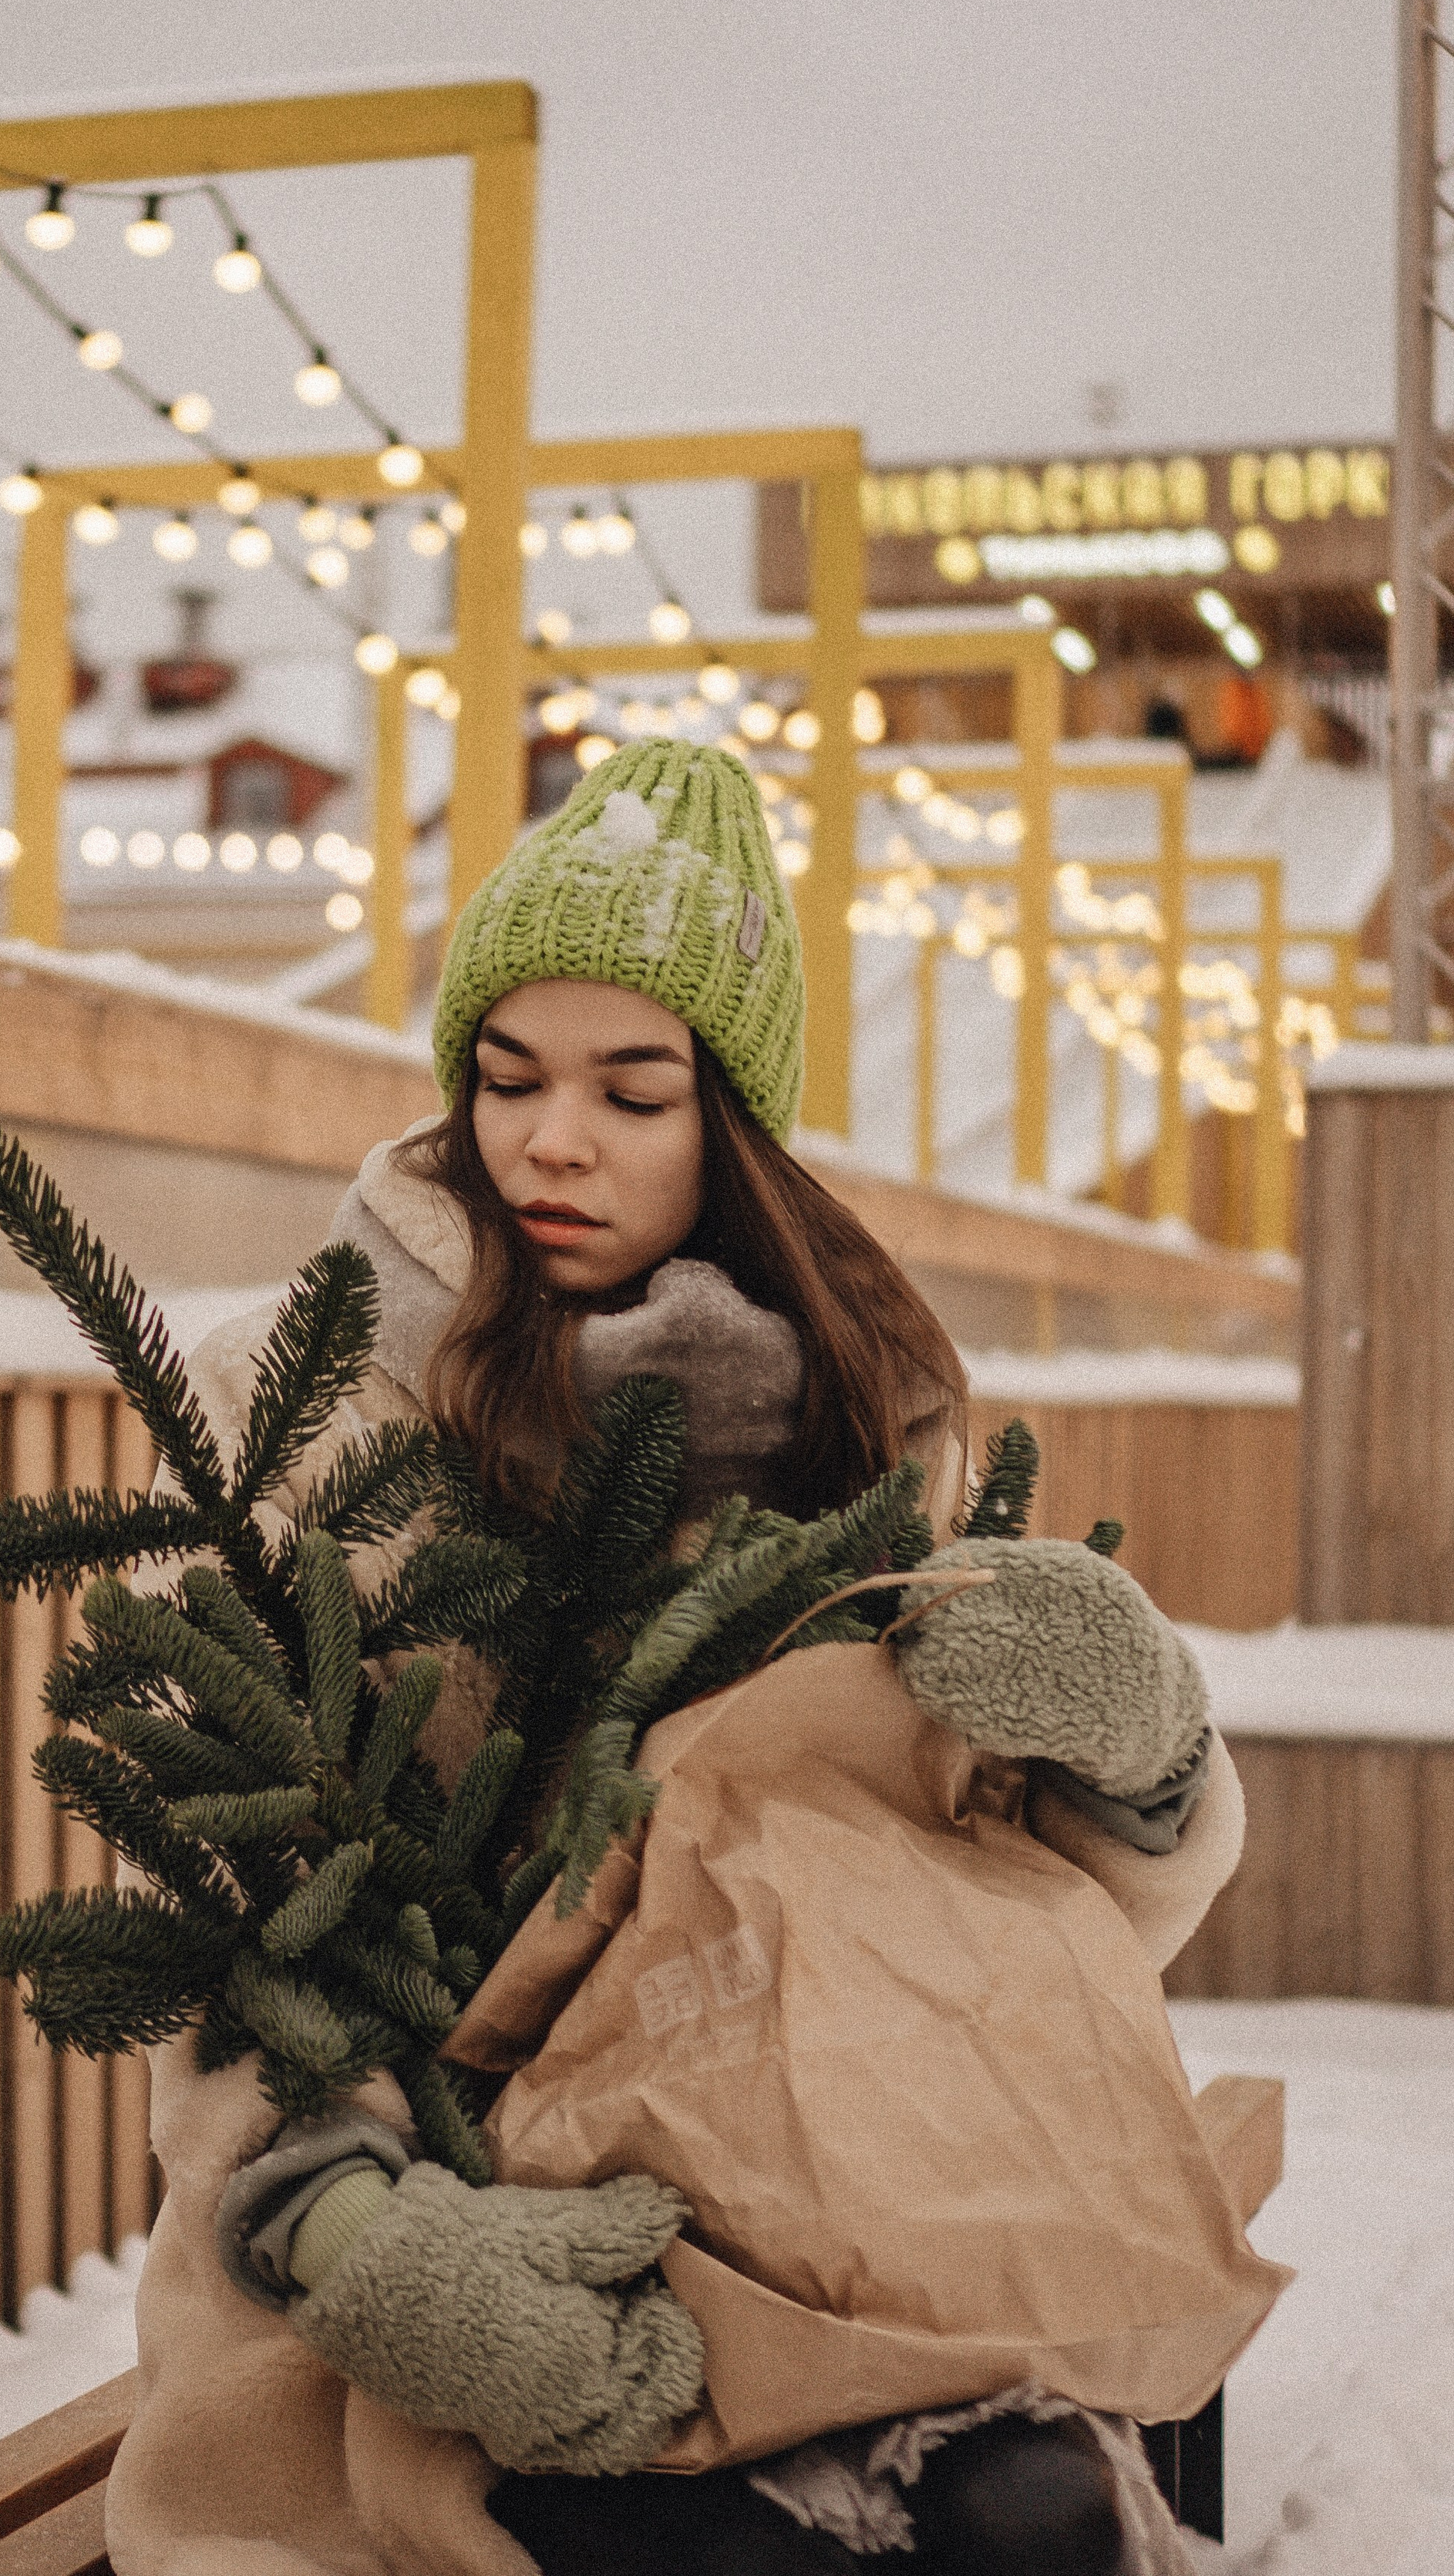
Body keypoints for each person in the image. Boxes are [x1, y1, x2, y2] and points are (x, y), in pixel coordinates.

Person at [104, 740, 1260, 2576]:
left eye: (629, 1093)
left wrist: (1144, 1757)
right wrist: (347, 2225)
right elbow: (210, 1883)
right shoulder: (298, 1403)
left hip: (810, 2204)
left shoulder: (866, 1421)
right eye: (504, 1077)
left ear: (730, 1126)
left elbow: (1005, 1920)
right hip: (429, 2246)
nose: (548, 1140)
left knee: (1025, 2522)